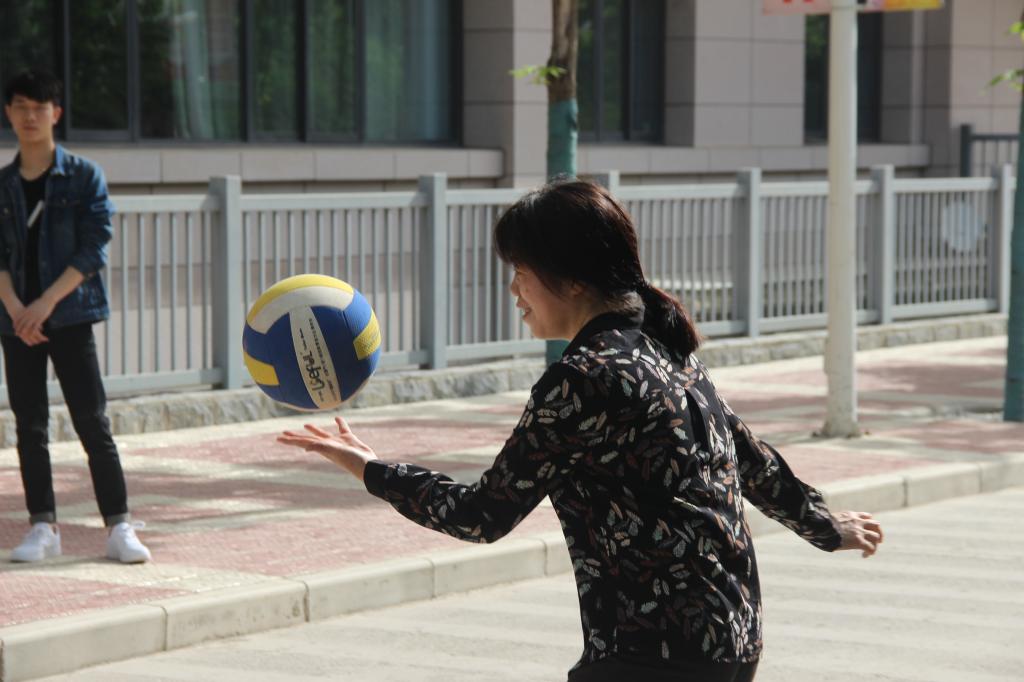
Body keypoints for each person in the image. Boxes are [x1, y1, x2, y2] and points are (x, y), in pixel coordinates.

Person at [278, 180, 883, 681]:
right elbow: (749, 458)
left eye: (522, 271)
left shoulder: (584, 379)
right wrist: (823, 524)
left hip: (652, 655)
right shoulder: (664, 350)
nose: (513, 290)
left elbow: (482, 514)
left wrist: (372, 470)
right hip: (727, 640)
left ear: (570, 279)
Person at [1, 70, 150, 564]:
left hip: (70, 315)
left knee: (92, 422)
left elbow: (94, 247)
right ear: (9, 113)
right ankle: (42, 527)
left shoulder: (84, 176)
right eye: (21, 107)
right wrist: (18, 310)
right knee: (30, 427)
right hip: (16, 323)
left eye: (39, 107)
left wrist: (44, 304)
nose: (29, 116)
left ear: (55, 114)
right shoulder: (3, 185)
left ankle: (119, 526)